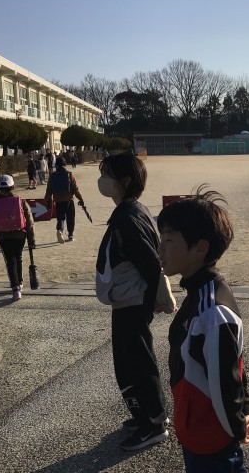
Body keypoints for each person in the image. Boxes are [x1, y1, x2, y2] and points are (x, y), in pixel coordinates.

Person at [157, 185, 249, 473]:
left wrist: (238, 424)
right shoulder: (199, 294)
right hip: (197, 430)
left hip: (212, 439)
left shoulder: (213, 311)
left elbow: (227, 380)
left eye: (169, 240)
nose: (160, 249)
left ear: (200, 248)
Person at [95, 153, 175, 451]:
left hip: (132, 301)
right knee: (135, 359)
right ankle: (150, 414)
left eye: (108, 174)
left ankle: (152, 424)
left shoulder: (127, 218)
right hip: (130, 299)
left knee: (133, 364)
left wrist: (161, 293)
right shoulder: (133, 211)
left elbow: (149, 260)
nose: (102, 180)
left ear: (125, 181)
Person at [0, 174, 35, 301]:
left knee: (9, 260)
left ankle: (15, 288)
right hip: (19, 234)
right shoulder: (20, 201)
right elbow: (29, 221)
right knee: (18, 257)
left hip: (2, 236)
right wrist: (31, 239)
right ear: (13, 186)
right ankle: (20, 282)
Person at [45, 156, 84, 244]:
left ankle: (60, 230)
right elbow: (75, 189)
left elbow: (49, 190)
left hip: (58, 201)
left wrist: (47, 201)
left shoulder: (52, 176)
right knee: (70, 218)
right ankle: (70, 235)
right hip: (69, 200)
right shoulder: (70, 175)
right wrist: (81, 199)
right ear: (64, 164)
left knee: (60, 218)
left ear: (56, 165)